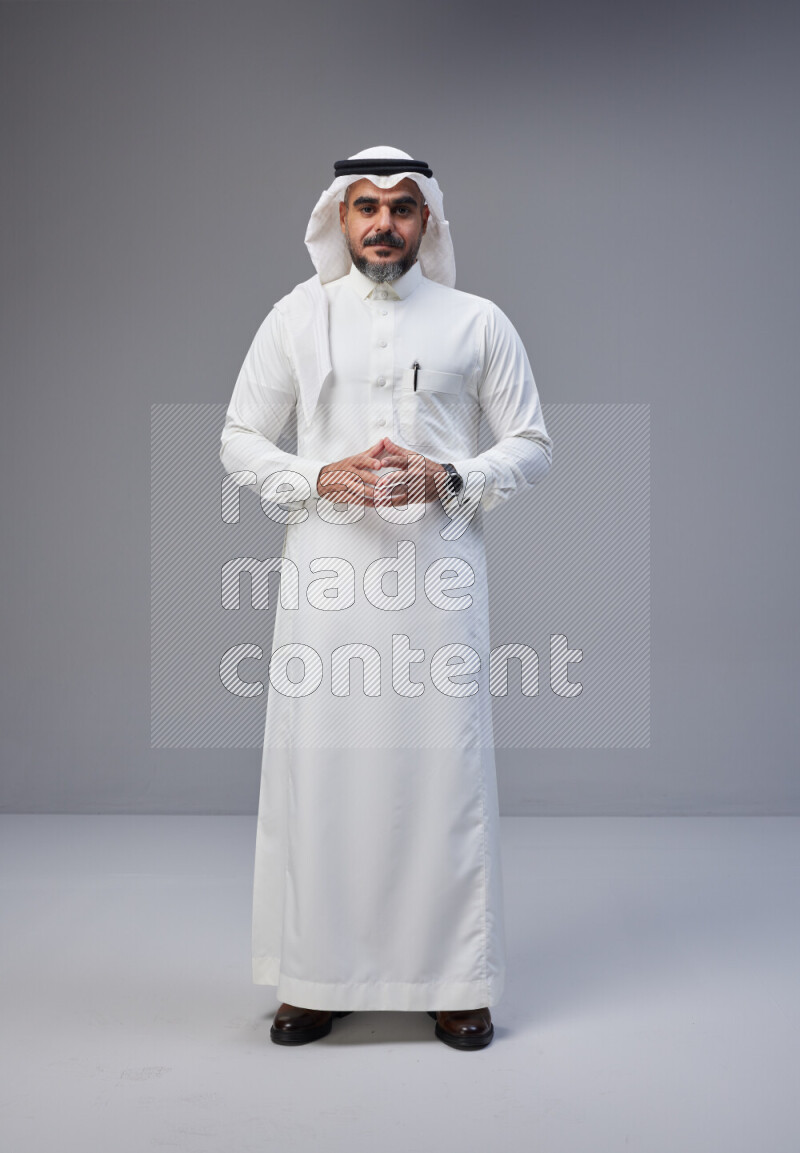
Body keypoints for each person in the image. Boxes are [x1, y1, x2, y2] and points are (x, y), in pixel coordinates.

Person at [219, 145, 552, 1050]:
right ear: (338, 216)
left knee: (440, 773)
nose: (382, 224)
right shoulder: (297, 317)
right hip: (328, 581)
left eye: (402, 208)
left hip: (438, 582)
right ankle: (316, 978)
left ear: (428, 221)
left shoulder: (477, 321)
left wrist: (448, 475)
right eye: (365, 206)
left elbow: (530, 442)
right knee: (324, 770)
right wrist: (319, 474)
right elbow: (240, 438)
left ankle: (455, 979)